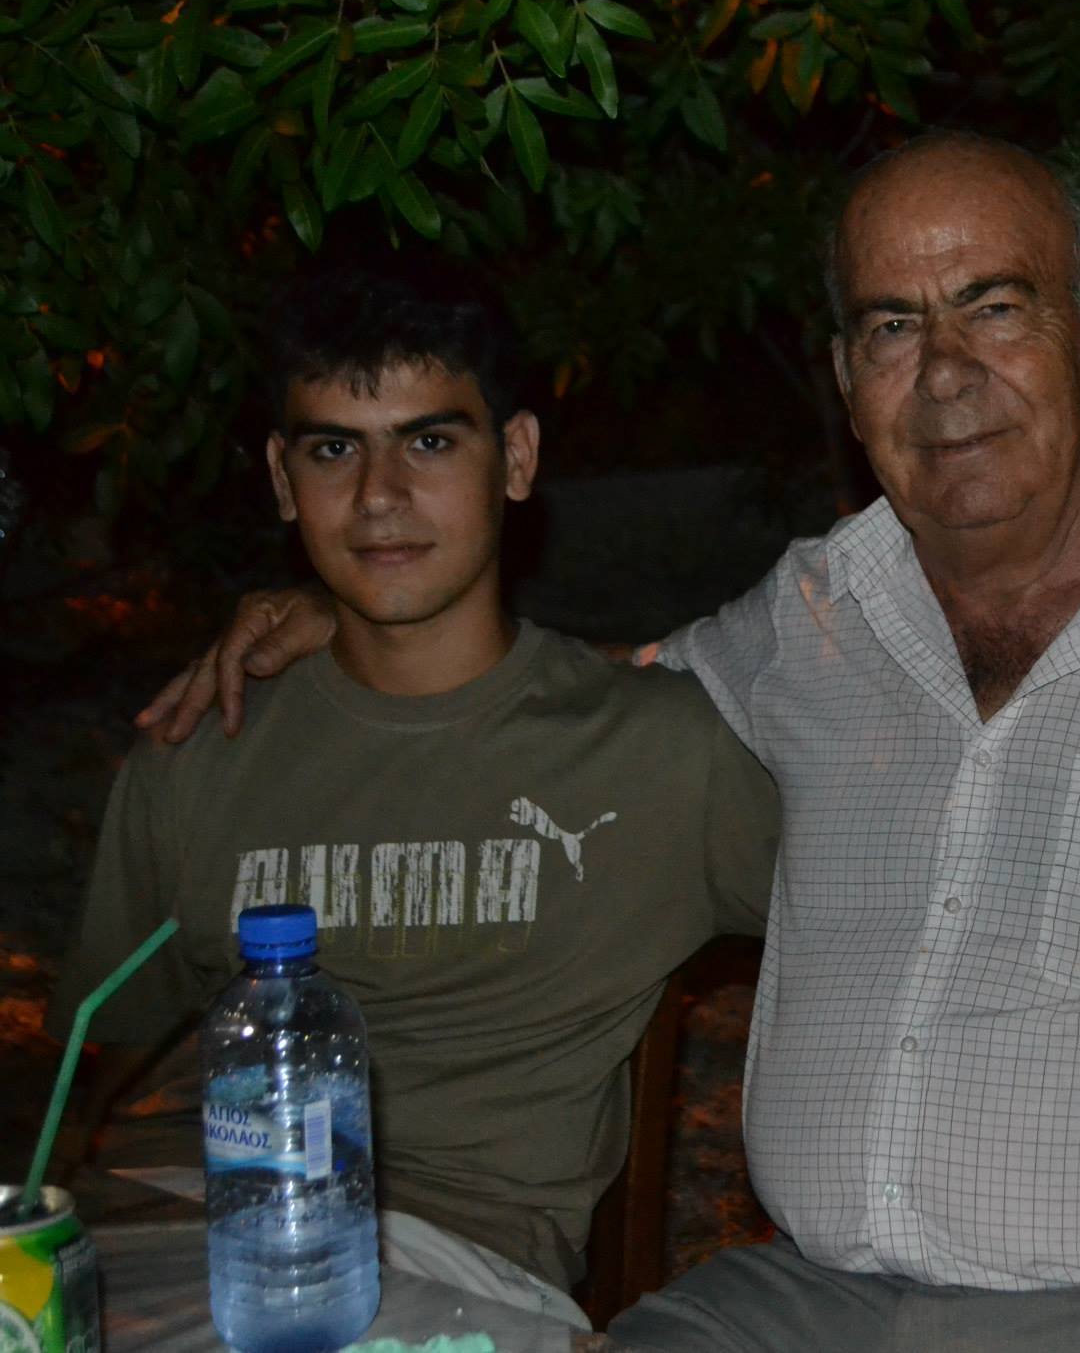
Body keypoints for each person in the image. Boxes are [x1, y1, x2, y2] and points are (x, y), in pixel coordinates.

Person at [139, 133, 1080, 1348]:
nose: (944, 374)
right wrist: (359, 614)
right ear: (844, 376)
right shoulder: (806, 613)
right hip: (797, 1299)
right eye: (891, 326)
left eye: (994, 307)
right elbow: (578, 694)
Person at [49, 252, 779, 1327]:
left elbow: (909, 922)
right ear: (282, 479)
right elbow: (84, 1075)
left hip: (444, 1264)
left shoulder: (663, 752)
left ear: (516, 458)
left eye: (429, 441)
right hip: (158, 1233)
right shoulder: (201, 743)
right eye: (333, 449)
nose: (378, 497)